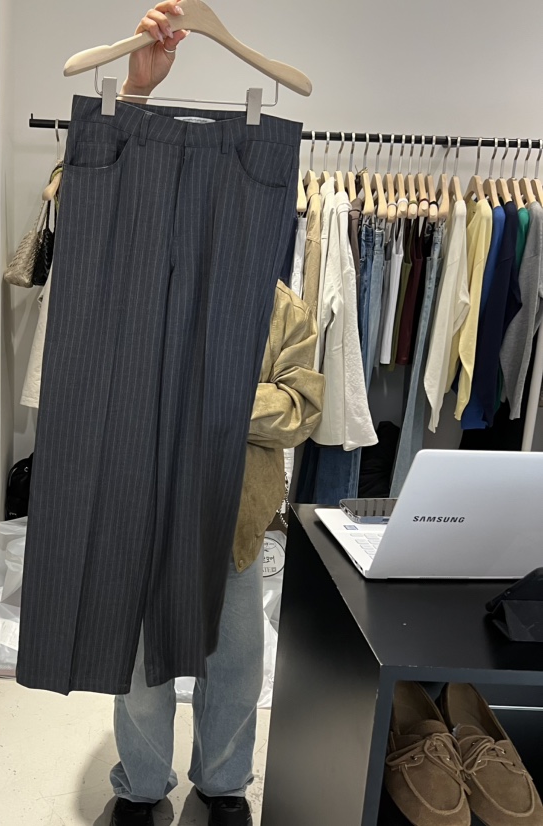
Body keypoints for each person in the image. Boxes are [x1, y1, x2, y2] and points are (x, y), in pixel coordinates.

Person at [109, 8, 325, 824]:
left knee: (235, 663)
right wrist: (135, 95)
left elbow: (301, 408)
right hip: (147, 505)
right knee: (143, 665)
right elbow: (99, 199)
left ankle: (224, 783)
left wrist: (214, 392)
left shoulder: (284, 309)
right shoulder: (142, 291)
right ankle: (140, 786)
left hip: (237, 518)